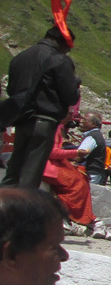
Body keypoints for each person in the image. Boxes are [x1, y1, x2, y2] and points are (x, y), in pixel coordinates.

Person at [0, 26, 80, 189]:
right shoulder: (59, 60)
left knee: (13, 172)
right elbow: (70, 95)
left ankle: (5, 206)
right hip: (45, 121)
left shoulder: (21, 57)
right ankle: (23, 211)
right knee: (31, 174)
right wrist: (75, 84)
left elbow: (12, 90)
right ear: (63, 42)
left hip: (22, 120)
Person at [42, 113, 94, 234]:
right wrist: (76, 153)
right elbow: (53, 153)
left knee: (81, 178)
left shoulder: (56, 127)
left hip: (54, 163)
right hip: (48, 165)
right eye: (69, 114)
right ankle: (71, 217)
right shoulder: (54, 128)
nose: (72, 118)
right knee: (78, 184)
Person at [73, 111, 107, 186]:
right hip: (94, 173)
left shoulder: (92, 137)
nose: (81, 121)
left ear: (93, 124)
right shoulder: (96, 135)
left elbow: (78, 156)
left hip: (90, 174)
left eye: (84, 120)